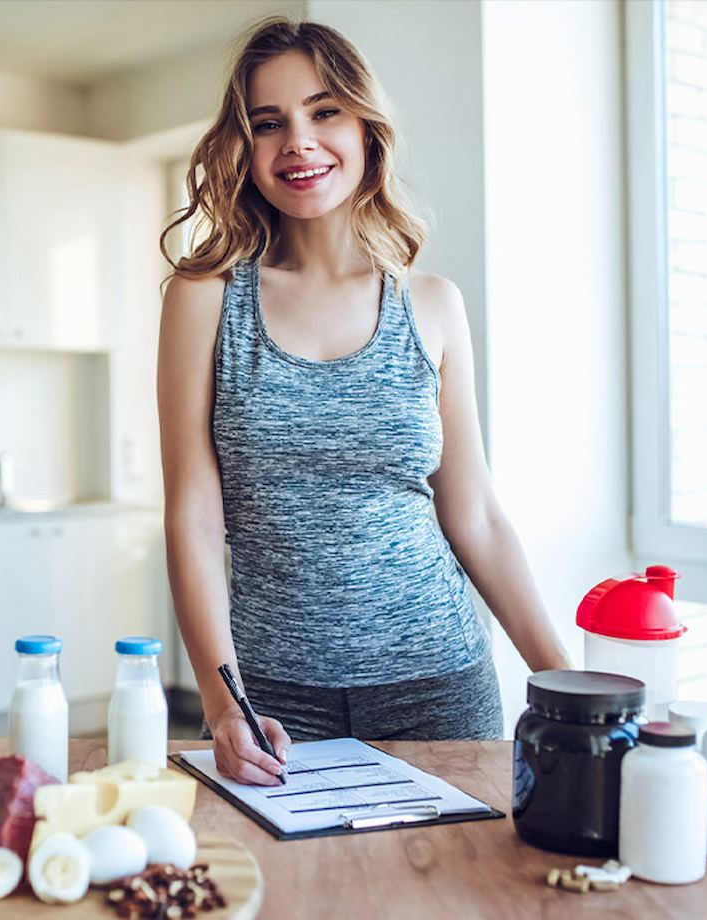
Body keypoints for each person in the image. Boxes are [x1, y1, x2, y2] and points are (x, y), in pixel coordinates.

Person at [157, 15, 570, 787]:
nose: (299, 143)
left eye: (324, 112)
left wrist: (563, 679)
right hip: (273, 700)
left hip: (440, 684)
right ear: (243, 148)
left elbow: (473, 512)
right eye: (268, 123)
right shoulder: (203, 300)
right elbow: (192, 512)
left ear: (366, 128)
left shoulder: (435, 306)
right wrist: (221, 700)